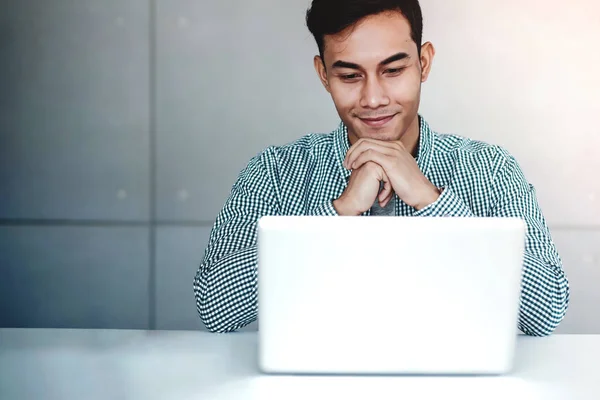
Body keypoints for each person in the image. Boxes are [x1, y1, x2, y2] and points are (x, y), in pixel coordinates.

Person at [193, 0, 569, 335]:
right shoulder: (275, 172)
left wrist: (430, 199)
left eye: (392, 71)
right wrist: (340, 212)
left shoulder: (491, 169)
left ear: (423, 63)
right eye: (349, 75)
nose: (373, 99)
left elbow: (545, 310)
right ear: (324, 75)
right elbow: (213, 306)